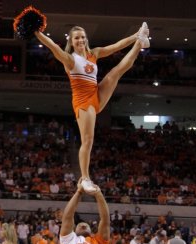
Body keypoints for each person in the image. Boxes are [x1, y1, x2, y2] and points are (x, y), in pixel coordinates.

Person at [34, 22, 149, 193]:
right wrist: (36, 31)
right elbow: (51, 45)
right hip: (82, 102)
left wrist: (134, 37)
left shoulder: (93, 53)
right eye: (76, 38)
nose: (80, 40)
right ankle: (85, 178)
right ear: (71, 42)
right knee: (88, 140)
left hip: (96, 94)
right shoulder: (69, 59)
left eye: (82, 37)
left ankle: (140, 41)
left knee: (115, 73)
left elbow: (116, 46)